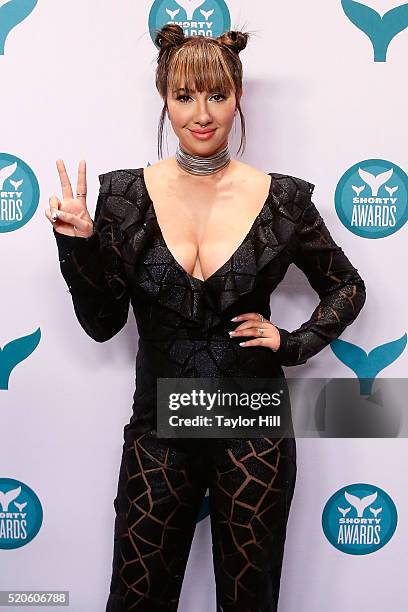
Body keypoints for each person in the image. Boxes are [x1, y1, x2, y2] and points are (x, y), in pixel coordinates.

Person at [46, 24, 366, 612]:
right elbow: (101, 323)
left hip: (254, 428)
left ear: (238, 97)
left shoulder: (283, 199)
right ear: (164, 101)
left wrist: (294, 343)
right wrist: (80, 246)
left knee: (250, 601)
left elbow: (347, 285)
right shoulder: (123, 198)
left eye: (217, 96)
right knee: (136, 599)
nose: (202, 113)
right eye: (185, 96)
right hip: (159, 430)